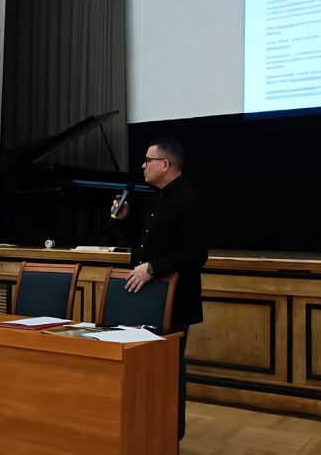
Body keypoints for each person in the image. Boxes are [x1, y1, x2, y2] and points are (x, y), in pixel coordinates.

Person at [111, 137, 208, 443]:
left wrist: (153, 268)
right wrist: (125, 221)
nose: (142, 166)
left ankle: (170, 436)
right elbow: (146, 243)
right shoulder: (155, 198)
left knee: (168, 371)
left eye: (148, 160)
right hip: (144, 297)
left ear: (165, 164)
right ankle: (144, 431)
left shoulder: (190, 200)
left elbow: (196, 254)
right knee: (142, 368)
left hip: (173, 301)